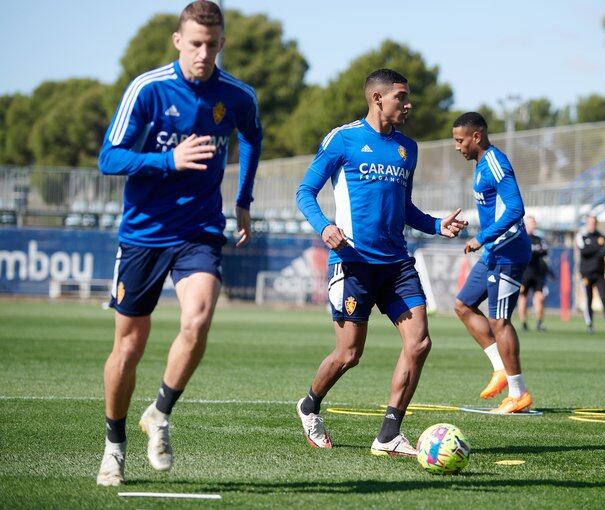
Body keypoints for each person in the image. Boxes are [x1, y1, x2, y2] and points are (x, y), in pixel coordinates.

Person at [96, 0, 262, 486]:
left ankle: (161, 413)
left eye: (212, 45)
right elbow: (109, 157)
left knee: (199, 317)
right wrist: (168, 162)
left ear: (222, 44)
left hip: (200, 230)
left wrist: (243, 200)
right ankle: (114, 445)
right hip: (144, 233)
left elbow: (252, 136)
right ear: (178, 41)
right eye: (195, 44)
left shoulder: (236, 95)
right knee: (129, 347)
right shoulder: (147, 89)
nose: (203, 54)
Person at [295, 68, 467, 456]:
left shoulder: (409, 148)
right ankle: (309, 405)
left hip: (396, 265)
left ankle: (388, 434)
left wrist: (439, 224)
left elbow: (405, 208)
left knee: (419, 342)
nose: (409, 105)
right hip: (352, 262)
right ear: (377, 98)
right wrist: (324, 227)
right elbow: (305, 191)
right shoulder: (344, 139)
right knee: (349, 354)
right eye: (401, 98)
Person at [452, 112, 533, 414]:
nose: (457, 146)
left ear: (477, 136)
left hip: (509, 252)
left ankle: (518, 393)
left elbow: (516, 209)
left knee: (500, 321)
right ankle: (500, 368)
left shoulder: (496, 161)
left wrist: (482, 237)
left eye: (460, 140)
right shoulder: (480, 165)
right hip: (494, 252)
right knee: (463, 305)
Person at [576, 215, 605, 336]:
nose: (592, 225)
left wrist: (594, 249)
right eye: (590, 223)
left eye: (594, 223)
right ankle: (589, 325)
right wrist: (597, 248)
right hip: (586, 274)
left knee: (604, 299)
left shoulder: (602, 236)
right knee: (588, 299)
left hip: (599, 273)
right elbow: (584, 251)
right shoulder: (582, 235)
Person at [518, 216, 551, 332]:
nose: (534, 224)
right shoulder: (521, 238)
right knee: (523, 298)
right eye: (532, 222)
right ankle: (523, 323)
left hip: (538, 273)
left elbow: (545, 251)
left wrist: (536, 252)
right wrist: (534, 252)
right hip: (525, 273)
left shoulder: (538, 239)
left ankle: (539, 323)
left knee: (539, 298)